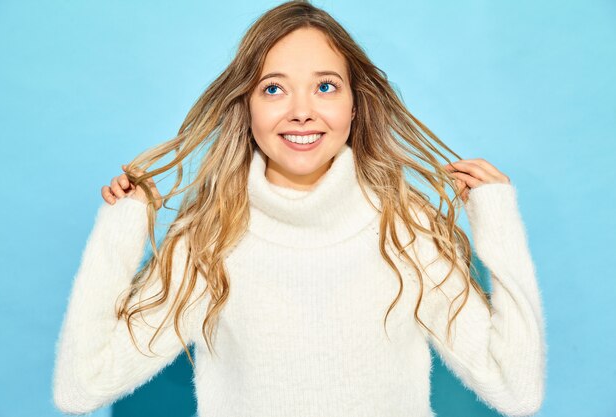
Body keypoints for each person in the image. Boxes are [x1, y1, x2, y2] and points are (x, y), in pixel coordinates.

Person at [52, 1, 547, 416]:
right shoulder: (207, 240)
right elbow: (82, 387)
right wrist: (121, 227)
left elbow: (515, 389)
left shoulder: (406, 231)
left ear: (356, 104)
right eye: (273, 88)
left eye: (326, 86)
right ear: (246, 107)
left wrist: (498, 223)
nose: (301, 109)